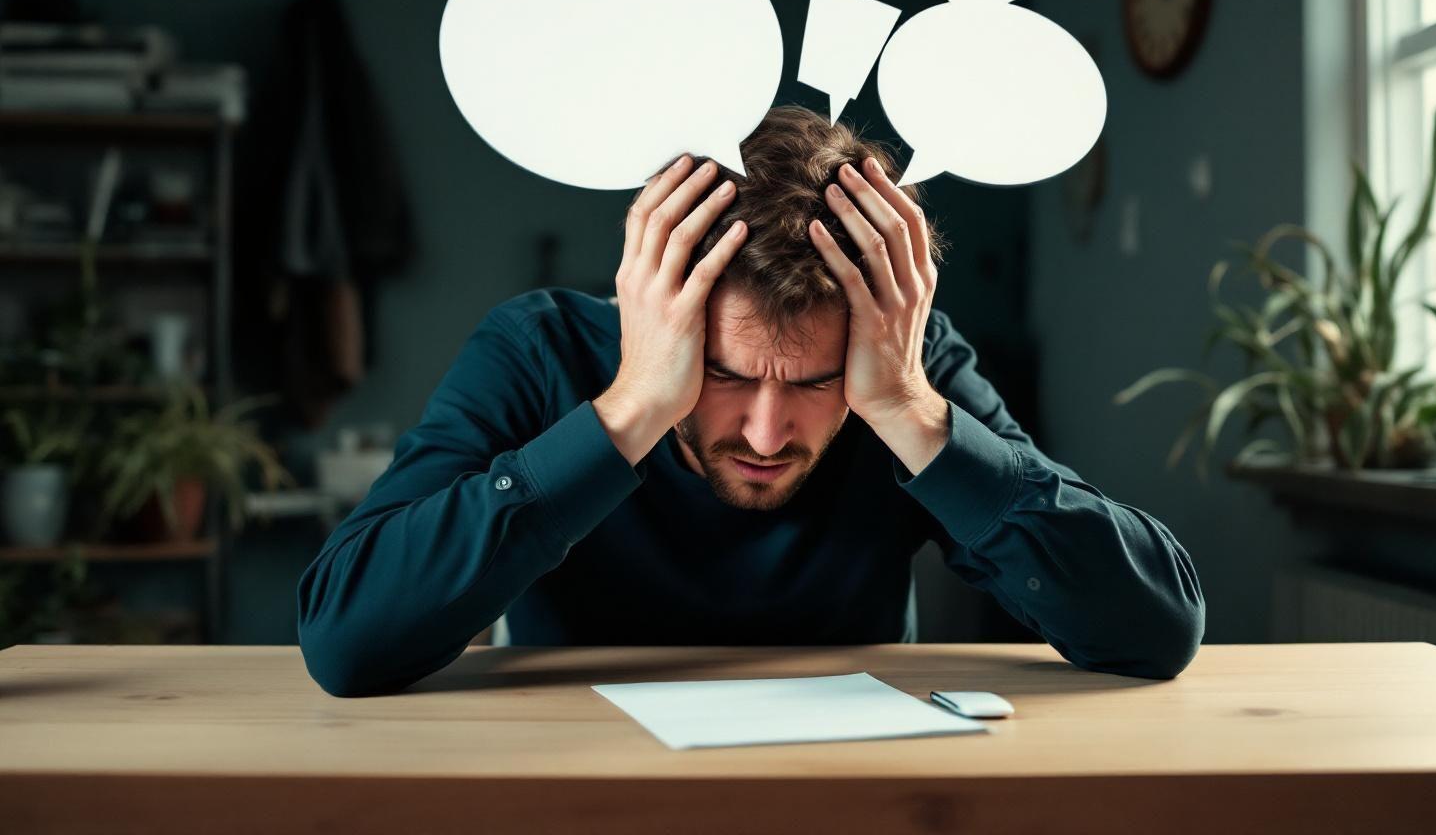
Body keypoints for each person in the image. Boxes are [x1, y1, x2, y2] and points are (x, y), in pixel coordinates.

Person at [296, 105, 1205, 697]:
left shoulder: (905, 362)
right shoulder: (540, 349)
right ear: (661, 310)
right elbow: (345, 640)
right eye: (725, 374)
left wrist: (910, 412)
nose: (768, 435)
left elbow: (1156, 630)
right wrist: (631, 408)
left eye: (813, 383)